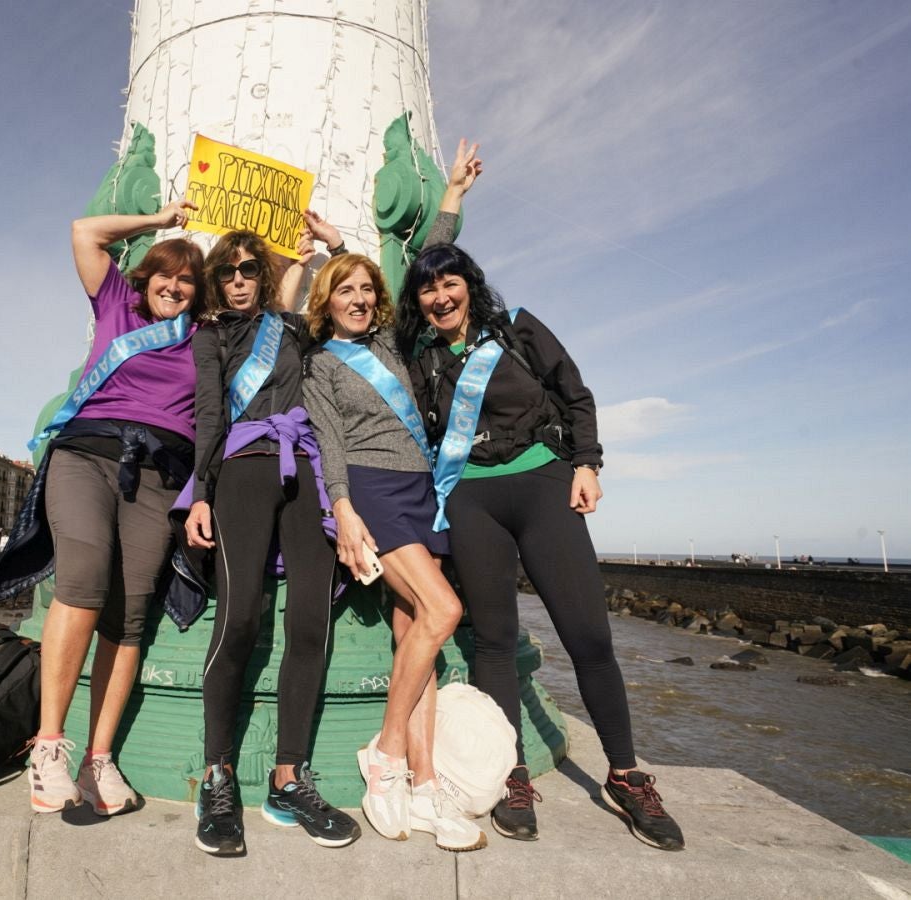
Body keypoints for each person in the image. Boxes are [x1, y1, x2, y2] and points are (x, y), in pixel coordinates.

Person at [395, 242, 686, 851]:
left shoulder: (516, 329)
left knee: (589, 637)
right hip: (471, 500)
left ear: (470, 284)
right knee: (495, 640)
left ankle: (625, 776)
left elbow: (575, 392)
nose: (441, 298)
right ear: (417, 300)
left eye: (450, 283)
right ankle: (513, 776)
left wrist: (588, 463)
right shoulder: (421, 359)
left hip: (545, 487)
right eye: (428, 289)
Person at [26, 201, 211, 817]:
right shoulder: (116, 305)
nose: (174, 286)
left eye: (187, 280)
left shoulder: (203, 341)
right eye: (165, 275)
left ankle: (97, 760)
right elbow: (84, 231)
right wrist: (159, 221)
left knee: (129, 619)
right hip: (88, 455)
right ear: (146, 278)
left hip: (159, 479)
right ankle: (49, 746)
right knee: (81, 584)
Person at [182, 224, 359, 856]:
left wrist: (333, 251)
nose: (237, 281)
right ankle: (218, 774)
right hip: (242, 472)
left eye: (249, 269)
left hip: (304, 469)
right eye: (227, 272)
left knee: (311, 622)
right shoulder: (209, 336)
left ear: (263, 274)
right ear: (215, 280)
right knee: (240, 619)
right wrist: (200, 493)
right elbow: (209, 413)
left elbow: (350, 309)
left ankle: (288, 778)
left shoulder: (291, 328)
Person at [301, 252, 486, 852]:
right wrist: (343, 509)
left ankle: (424, 782)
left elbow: (428, 259)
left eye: (365, 289)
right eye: (343, 290)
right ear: (326, 301)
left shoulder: (390, 343)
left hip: (422, 488)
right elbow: (328, 443)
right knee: (443, 610)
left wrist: (451, 206)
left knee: (415, 631)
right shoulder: (320, 363)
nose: (357, 299)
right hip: (372, 488)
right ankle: (385, 754)